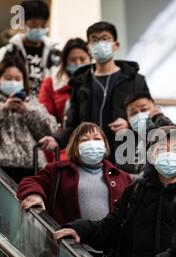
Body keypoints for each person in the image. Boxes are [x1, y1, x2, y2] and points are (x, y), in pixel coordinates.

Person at [54, 126, 176, 257]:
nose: (169, 154)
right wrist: (80, 228)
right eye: (162, 148)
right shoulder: (136, 190)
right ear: (152, 154)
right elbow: (111, 228)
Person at [39, 21, 150, 165]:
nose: (100, 44)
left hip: (126, 156)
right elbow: (73, 126)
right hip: (89, 158)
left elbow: (149, 119)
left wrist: (129, 124)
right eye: (94, 40)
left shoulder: (135, 80)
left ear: (116, 45)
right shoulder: (80, 83)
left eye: (105, 39)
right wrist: (56, 139)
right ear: (89, 47)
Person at [0, 55, 57, 184]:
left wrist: (27, 111)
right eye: (8, 78)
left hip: (31, 171)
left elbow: (50, 131)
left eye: (18, 79)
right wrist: (3, 109)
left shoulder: (34, 104)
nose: (13, 82)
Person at [16, 122, 131, 226]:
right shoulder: (58, 170)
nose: (92, 143)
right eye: (85, 140)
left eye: (97, 139)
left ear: (105, 145)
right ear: (75, 146)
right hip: (68, 244)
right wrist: (35, 195)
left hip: (110, 247)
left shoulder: (121, 176)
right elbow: (30, 181)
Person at [0, 0, 60, 95]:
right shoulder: (8, 52)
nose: (39, 29)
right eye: (34, 25)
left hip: (46, 106)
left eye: (43, 25)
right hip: (16, 103)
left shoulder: (55, 53)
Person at [117, 92, 173, 175]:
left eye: (144, 110)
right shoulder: (125, 146)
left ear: (156, 109)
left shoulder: (167, 135)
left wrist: (159, 117)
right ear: (128, 119)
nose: (139, 115)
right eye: (133, 113)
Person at [39, 38, 91, 128]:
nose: (78, 63)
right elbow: (45, 117)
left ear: (90, 59)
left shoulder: (97, 82)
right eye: (73, 60)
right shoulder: (51, 84)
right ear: (65, 62)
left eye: (82, 59)